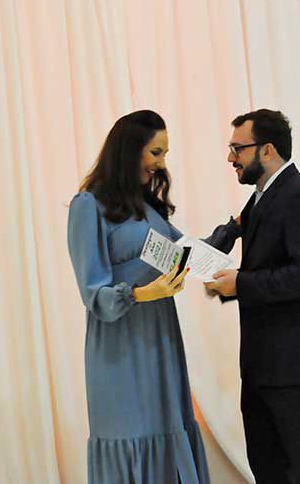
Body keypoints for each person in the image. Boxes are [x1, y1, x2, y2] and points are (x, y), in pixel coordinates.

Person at [67, 110, 210, 484]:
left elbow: (188, 252)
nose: (161, 163)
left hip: (161, 337)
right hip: (121, 346)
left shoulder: (146, 207)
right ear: (130, 150)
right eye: (155, 152)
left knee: (168, 425)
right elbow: (93, 293)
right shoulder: (88, 205)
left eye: (164, 154)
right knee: (131, 431)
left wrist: (236, 228)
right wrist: (143, 293)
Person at [205, 109, 300, 484]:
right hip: (265, 366)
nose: (230, 157)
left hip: (298, 364)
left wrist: (241, 284)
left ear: (267, 150)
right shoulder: (262, 197)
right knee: (270, 470)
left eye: (238, 148)